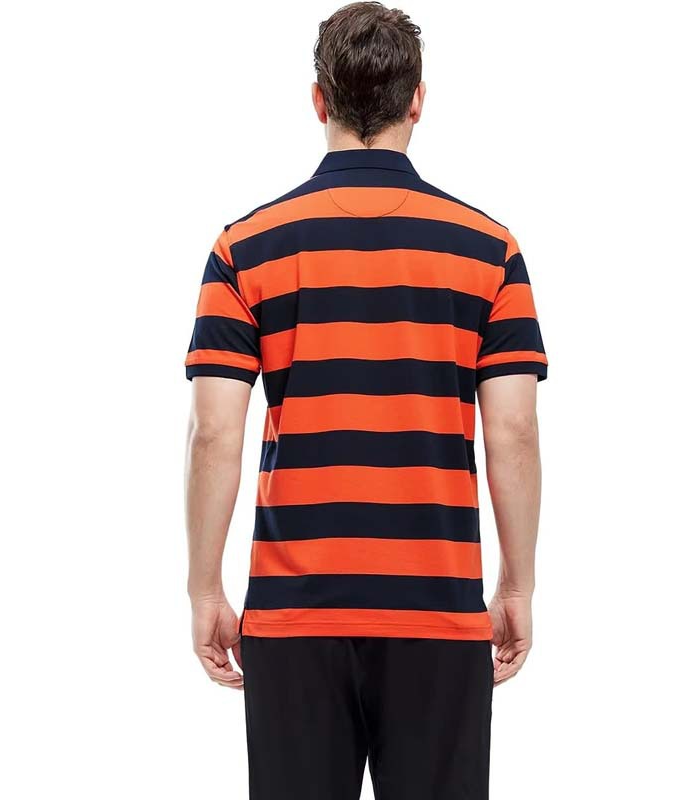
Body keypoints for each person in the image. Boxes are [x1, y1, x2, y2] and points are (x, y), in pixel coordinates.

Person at [184, 3, 546, 798]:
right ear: (418, 100)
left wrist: (205, 587)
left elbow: (215, 433)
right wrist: (516, 584)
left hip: (294, 612)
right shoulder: (490, 251)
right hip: (438, 608)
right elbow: (513, 430)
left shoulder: (245, 249)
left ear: (319, 100)